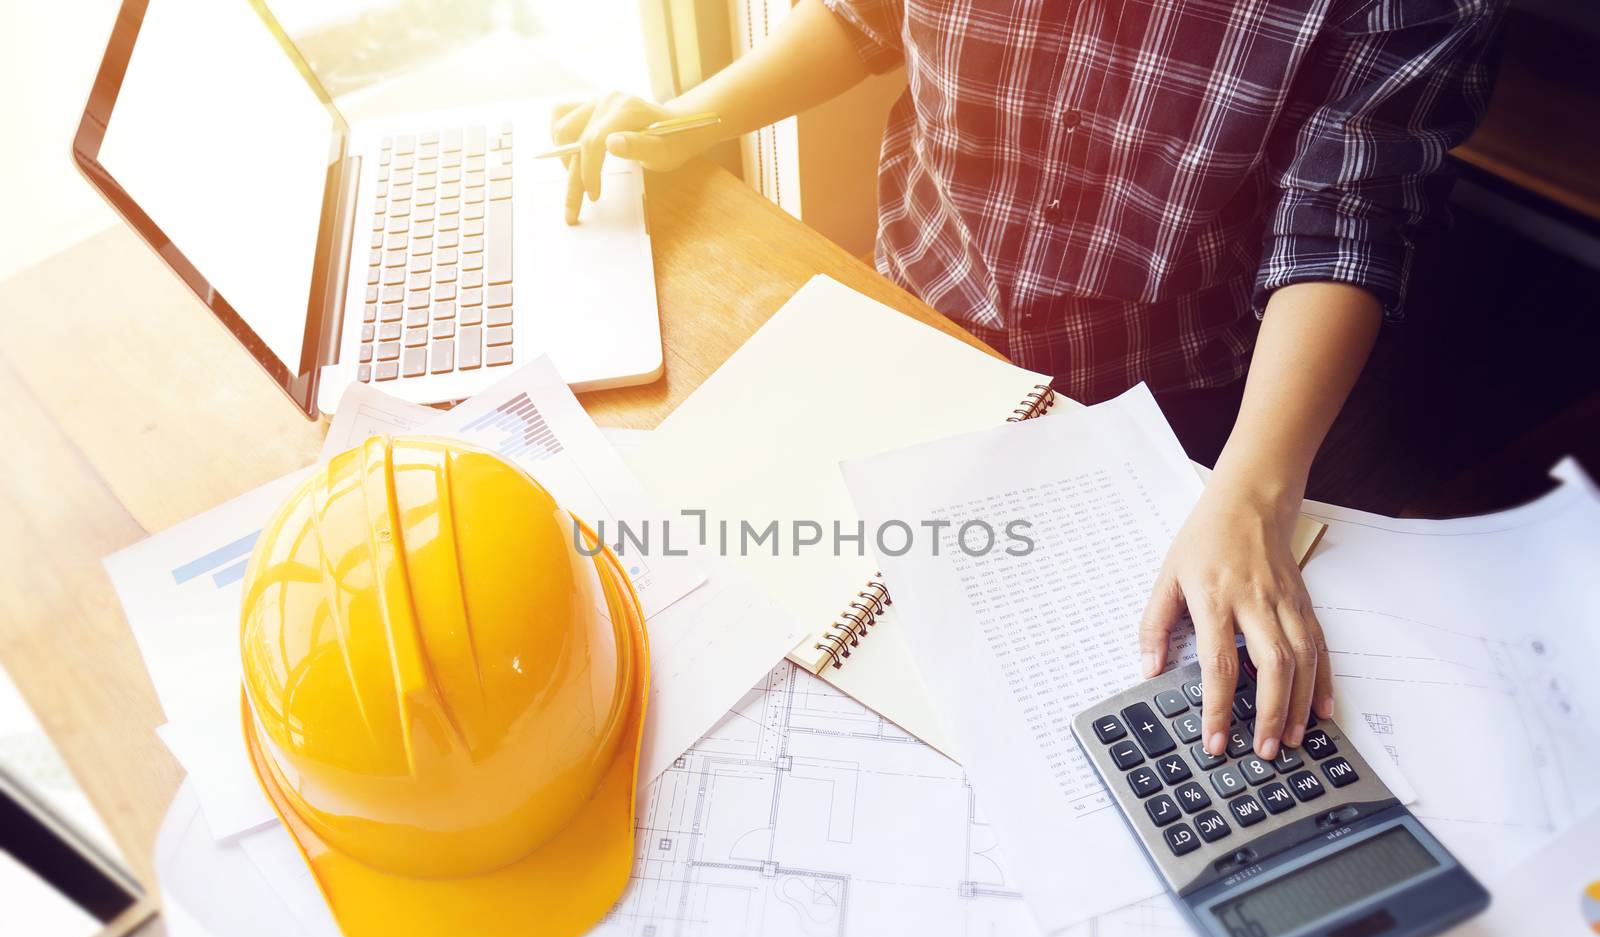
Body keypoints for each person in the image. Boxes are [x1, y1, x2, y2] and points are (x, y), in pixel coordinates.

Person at [552, 0, 1503, 762]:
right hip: (916, 320)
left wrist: (1253, 492)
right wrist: (691, 119)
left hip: (1172, 397)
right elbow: (865, 16)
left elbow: (1345, 214)